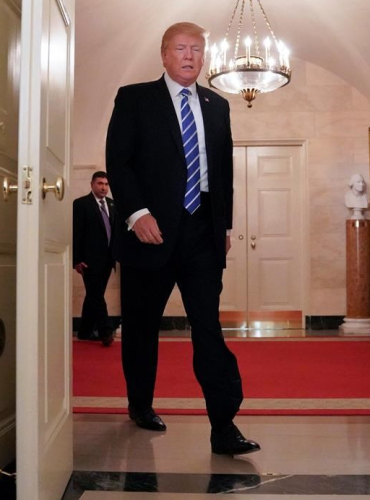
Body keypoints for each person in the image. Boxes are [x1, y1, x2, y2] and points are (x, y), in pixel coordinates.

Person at [105, 21, 260, 456]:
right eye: (181, 48)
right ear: (164, 54)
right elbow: (119, 162)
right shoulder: (135, 98)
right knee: (140, 328)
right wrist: (136, 214)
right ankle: (140, 403)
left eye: (196, 49)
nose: (190, 55)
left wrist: (224, 226)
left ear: (204, 56)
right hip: (149, 232)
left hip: (201, 235)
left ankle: (224, 426)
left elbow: (224, 173)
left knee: (208, 328)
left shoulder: (217, 105)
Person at [73, 171, 116, 346]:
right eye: (100, 183)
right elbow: (76, 232)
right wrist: (75, 259)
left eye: (106, 184)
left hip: (108, 260)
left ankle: (84, 331)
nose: (103, 187)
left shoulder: (113, 204)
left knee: (93, 294)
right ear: (92, 184)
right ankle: (106, 331)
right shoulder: (81, 204)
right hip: (89, 260)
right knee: (97, 295)